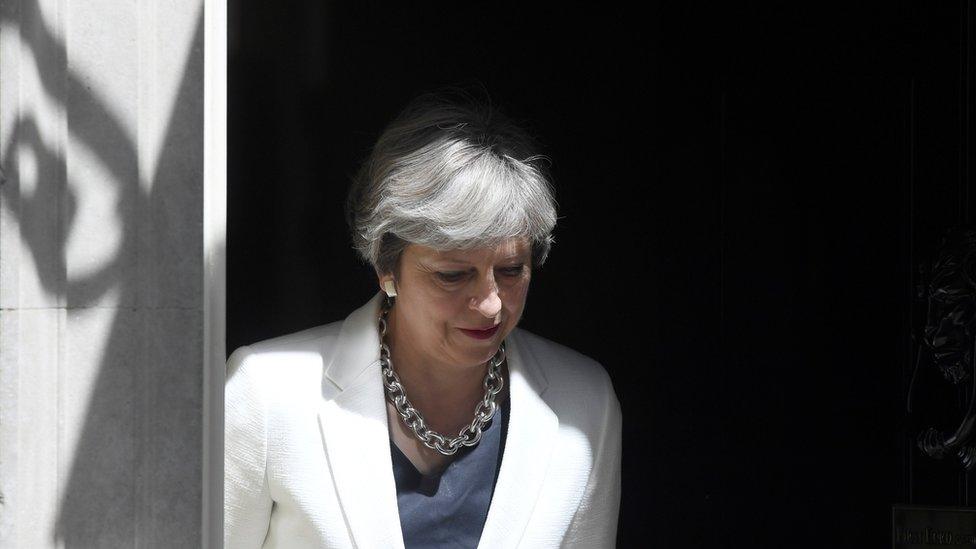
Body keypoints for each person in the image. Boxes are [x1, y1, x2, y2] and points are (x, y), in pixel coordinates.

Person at [224, 89, 622, 548]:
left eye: (511, 270)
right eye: (453, 276)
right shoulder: (267, 393)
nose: (491, 303)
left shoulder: (585, 400)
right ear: (386, 268)